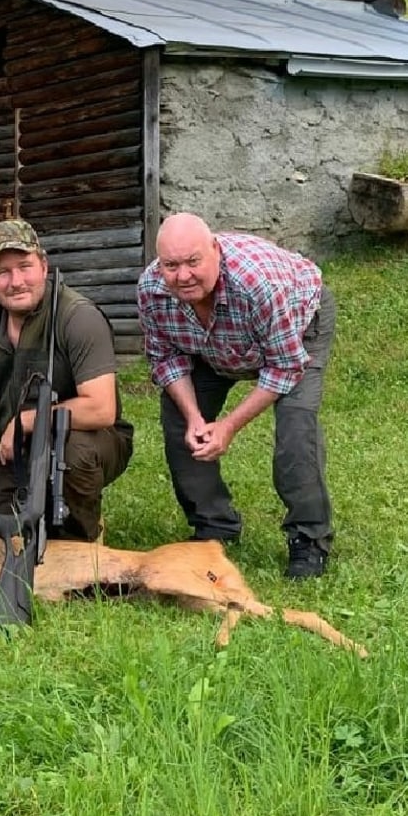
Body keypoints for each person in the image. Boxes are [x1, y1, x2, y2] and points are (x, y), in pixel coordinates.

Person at [137, 212, 336, 579]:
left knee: (296, 427)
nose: (183, 276)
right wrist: (197, 418)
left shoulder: (256, 284)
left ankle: (309, 538)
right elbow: (166, 358)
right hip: (212, 345)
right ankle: (214, 526)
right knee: (182, 424)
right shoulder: (152, 289)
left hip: (297, 330)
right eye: (171, 265)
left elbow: (284, 367)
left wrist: (228, 426)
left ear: (215, 250)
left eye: (194, 262)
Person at [0, 219, 133, 541]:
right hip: (20, 451)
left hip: (89, 440)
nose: (16, 281)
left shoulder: (78, 317)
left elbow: (101, 410)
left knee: (72, 454)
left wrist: (26, 420)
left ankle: (84, 534)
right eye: (2, 271)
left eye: (25, 267)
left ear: (43, 266)